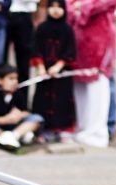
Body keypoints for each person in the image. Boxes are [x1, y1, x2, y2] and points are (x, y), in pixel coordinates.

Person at [69, 0, 115, 146]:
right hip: (78, 39)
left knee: (97, 85)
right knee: (79, 85)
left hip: (98, 38)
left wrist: (82, 7)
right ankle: (82, 127)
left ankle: (96, 132)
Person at [31, 0, 75, 137]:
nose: (55, 11)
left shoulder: (67, 29)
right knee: (42, 100)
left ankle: (62, 130)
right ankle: (42, 130)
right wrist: (40, 67)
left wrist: (59, 66)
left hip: (61, 73)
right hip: (44, 72)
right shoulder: (42, 28)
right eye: (52, 7)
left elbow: (71, 50)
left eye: (59, 7)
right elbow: (35, 48)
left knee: (62, 101)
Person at [0, 61, 42, 147]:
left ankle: (13, 137)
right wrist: (6, 119)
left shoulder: (17, 93)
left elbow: (27, 112)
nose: (15, 82)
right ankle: (14, 137)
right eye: (11, 79)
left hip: (14, 128)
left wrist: (19, 115)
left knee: (37, 118)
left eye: (16, 79)